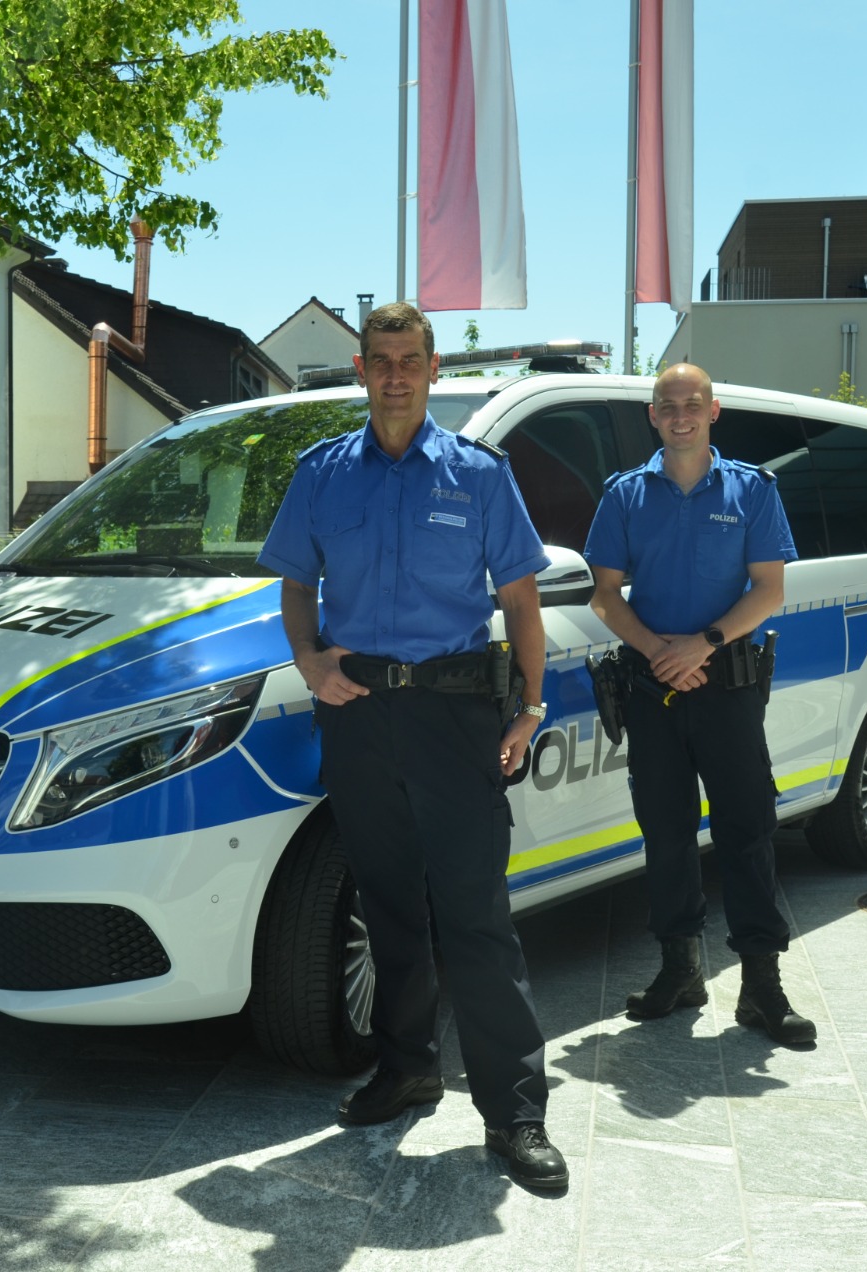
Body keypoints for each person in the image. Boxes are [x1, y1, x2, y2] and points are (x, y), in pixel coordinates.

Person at [258, 301, 568, 1190]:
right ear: (360, 371)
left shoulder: (476, 474)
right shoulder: (322, 474)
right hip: (357, 713)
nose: (395, 374)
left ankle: (515, 1112)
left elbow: (519, 602)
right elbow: (296, 586)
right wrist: (309, 660)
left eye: (410, 359)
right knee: (387, 903)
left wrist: (530, 704)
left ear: (434, 371)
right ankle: (406, 1069)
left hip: (455, 714)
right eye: (381, 360)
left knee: (474, 915)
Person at [583, 362, 817, 1045]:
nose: (680, 414)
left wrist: (704, 645)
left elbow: (769, 591)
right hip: (652, 688)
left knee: (747, 830)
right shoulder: (625, 495)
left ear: (714, 412)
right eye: (667, 405)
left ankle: (761, 987)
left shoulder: (751, 489)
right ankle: (679, 971)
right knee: (666, 830)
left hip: (728, 685)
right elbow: (604, 595)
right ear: (652, 416)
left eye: (693, 403)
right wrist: (663, 654)